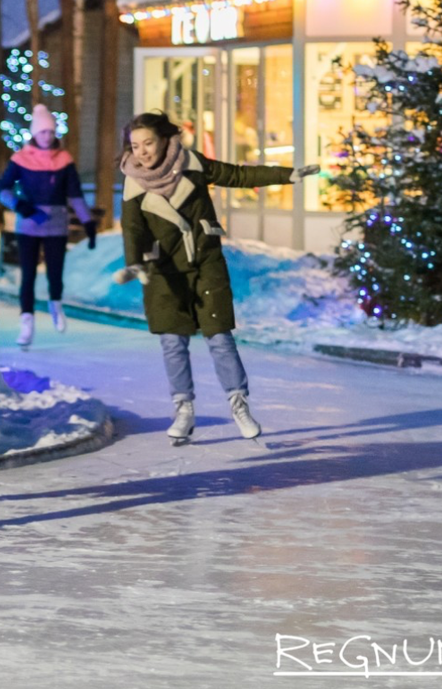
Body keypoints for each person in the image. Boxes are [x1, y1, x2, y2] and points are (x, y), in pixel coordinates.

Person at [111, 112, 319, 446]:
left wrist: (287, 175)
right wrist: (135, 263)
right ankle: (183, 410)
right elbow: (132, 228)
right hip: (164, 272)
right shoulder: (133, 182)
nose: (143, 152)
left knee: (219, 336)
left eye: (148, 143)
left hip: (205, 261)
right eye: (136, 146)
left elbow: (236, 174)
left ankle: (239, 405)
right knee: (172, 342)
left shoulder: (190, 162)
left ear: (164, 139)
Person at [0, 104, 93, 347]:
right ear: (35, 134)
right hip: (29, 223)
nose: (47, 136)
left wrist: (87, 221)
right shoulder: (21, 159)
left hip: (57, 223)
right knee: (28, 274)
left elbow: (75, 194)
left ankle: (56, 305)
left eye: (51, 132)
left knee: (55, 273)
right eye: (43, 132)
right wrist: (19, 205)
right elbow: (1, 188)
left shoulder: (64, 160)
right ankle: (26, 320)